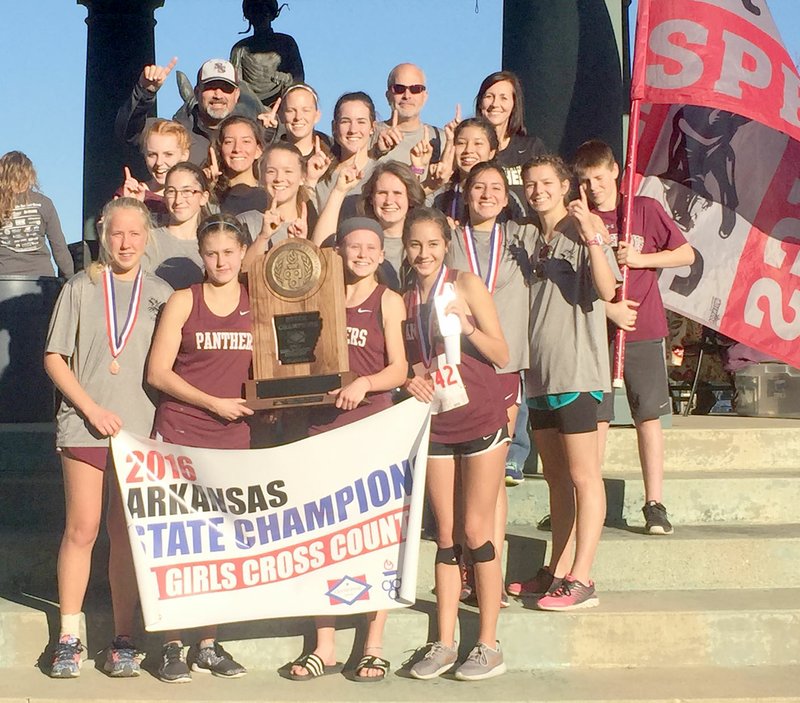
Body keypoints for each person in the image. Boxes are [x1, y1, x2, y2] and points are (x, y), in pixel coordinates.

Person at [44, 198, 172, 678]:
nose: (125, 243)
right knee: (83, 528)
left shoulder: (161, 292)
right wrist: (92, 409)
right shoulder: (80, 286)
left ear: (146, 238)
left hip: (139, 432)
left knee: (126, 535)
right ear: (103, 235)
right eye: (116, 234)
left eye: (134, 234)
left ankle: (123, 638)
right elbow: (55, 357)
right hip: (85, 423)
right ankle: (69, 638)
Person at [288, 217, 407, 682]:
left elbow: (399, 368)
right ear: (337, 252)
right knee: (325, 540)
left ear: (381, 255)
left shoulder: (388, 300)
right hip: (321, 428)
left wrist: (366, 383)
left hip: (372, 429)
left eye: (369, 248)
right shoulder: (321, 297)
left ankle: (373, 645)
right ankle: (325, 645)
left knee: (373, 538)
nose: (360, 254)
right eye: (352, 246)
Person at [402, 207, 510, 681]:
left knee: (475, 529)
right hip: (438, 422)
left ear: (446, 244)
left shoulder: (465, 284)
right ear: (405, 249)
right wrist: (411, 379)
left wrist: (466, 327)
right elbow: (411, 365)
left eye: (431, 244)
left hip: (482, 417)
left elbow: (503, 353)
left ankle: (488, 643)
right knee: (445, 534)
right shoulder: (404, 299)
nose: (423, 254)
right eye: (414, 245)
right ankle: (444, 642)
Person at [146, 213, 253, 682]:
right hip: (183, 430)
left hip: (235, 438)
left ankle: (208, 643)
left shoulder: (258, 303)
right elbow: (158, 373)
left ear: (244, 254)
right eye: (212, 252)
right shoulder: (183, 301)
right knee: (180, 544)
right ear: (201, 256)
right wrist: (212, 402)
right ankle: (171, 644)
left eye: (229, 252)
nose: (221, 260)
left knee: (220, 545)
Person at [508, 155, 618, 611]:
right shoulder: (528, 235)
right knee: (555, 479)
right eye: (531, 184)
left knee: (583, 476)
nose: (538, 191)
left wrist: (593, 234)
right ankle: (556, 569)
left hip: (577, 371)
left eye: (547, 182)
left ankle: (582, 575)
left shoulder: (582, 229)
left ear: (565, 185)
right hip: (539, 376)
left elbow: (610, 290)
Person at [574, 139, 695, 535]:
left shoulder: (643, 209)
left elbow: (685, 254)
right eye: (586, 180)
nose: (594, 187)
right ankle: (586, 498)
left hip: (644, 328)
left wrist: (642, 259)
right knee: (598, 416)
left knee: (648, 415)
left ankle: (654, 502)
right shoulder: (582, 219)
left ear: (615, 171)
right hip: (598, 330)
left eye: (599, 177)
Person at [445, 161, 535, 605]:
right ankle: (464, 567)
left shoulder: (522, 238)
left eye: (495, 187)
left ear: (506, 196)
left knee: (492, 479)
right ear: (464, 192)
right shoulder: (447, 239)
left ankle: (489, 576)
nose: (486, 194)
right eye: (477, 186)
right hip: (459, 369)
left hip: (503, 367)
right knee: (463, 479)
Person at [115, 57, 261, 166]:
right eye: (210, 87)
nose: (218, 95)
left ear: (236, 95)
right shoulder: (173, 132)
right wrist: (145, 92)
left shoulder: (254, 136)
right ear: (197, 92)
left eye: (226, 89)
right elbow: (128, 131)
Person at [312, 161, 424, 290]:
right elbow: (320, 253)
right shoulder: (359, 236)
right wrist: (339, 191)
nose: (389, 201)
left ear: (410, 198)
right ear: (371, 198)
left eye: (397, 193)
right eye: (382, 193)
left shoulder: (422, 239)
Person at [475, 71, 546, 214]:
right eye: (489, 96)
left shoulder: (531, 147)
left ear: (514, 104)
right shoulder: (470, 149)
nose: (495, 104)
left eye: (503, 98)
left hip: (523, 232)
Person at [0, 151, 74, 277]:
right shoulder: (44, 203)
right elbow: (59, 247)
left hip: (4, 281)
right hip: (41, 281)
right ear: (30, 174)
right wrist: (70, 279)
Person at [241, 142, 314, 266]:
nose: (279, 178)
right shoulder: (246, 222)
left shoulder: (313, 224)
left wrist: (299, 245)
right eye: (271, 171)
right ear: (261, 177)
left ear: (302, 177)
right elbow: (241, 274)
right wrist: (263, 237)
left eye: (288, 171)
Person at [142, 162, 212, 289]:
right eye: (171, 192)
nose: (178, 200)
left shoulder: (212, 245)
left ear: (204, 197)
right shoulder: (149, 240)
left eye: (187, 191)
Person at [313, 92, 377, 219]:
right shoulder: (320, 175)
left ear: (372, 127)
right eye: (345, 121)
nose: (353, 129)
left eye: (361, 122)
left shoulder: (381, 173)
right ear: (334, 127)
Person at [230, 0, 304, 108]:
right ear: (248, 15)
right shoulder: (240, 49)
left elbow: (298, 79)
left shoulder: (286, 43)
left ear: (272, 14)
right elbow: (236, 85)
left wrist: (285, 78)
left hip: (281, 103)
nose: (260, 15)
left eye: (265, 11)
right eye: (255, 11)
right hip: (250, 107)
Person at [116, 119, 191, 220]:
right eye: (152, 155)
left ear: (184, 155)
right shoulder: (130, 193)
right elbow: (106, 230)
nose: (159, 162)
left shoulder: (194, 196)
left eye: (168, 154)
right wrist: (130, 205)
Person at [373, 64, 444, 169]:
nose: (407, 96)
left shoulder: (441, 139)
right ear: (388, 96)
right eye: (399, 88)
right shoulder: (370, 135)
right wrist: (376, 152)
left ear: (425, 97)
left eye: (415, 89)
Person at [209, 115, 269, 216]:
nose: (237, 149)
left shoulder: (270, 194)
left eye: (246, 141)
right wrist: (208, 188)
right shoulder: (210, 197)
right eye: (229, 142)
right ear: (220, 149)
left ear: (258, 150)